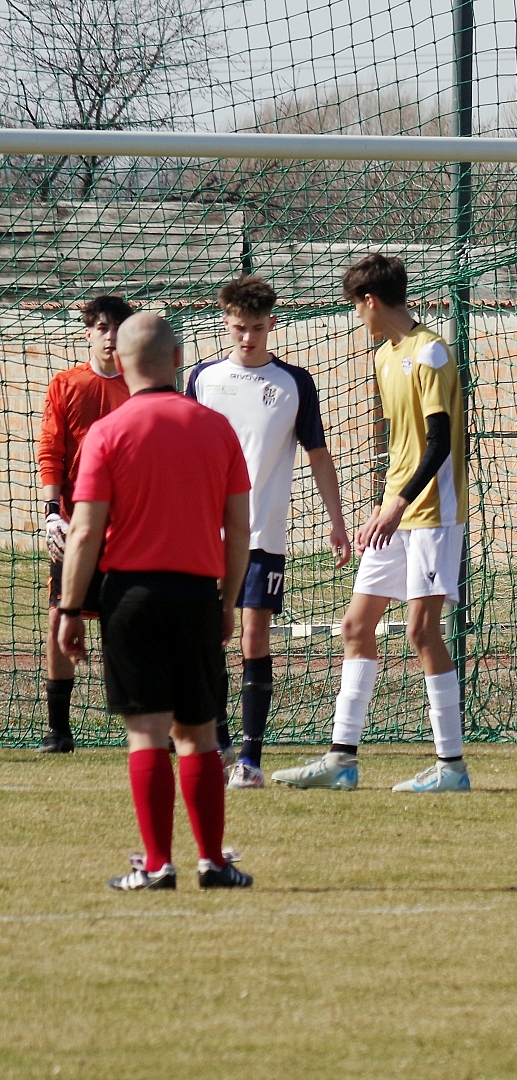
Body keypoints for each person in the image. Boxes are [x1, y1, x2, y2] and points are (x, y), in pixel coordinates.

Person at [57, 312, 253, 890]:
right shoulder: (217, 428)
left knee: (145, 731)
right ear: (177, 360)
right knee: (199, 733)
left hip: (131, 598)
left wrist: (71, 609)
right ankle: (212, 863)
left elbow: (85, 532)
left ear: (120, 362)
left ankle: (157, 864)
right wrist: (227, 600)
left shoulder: (107, 432)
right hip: (196, 595)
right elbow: (239, 530)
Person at [271, 254, 470, 793]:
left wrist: (398, 503)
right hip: (396, 512)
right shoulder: (385, 356)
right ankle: (342, 761)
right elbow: (403, 446)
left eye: (356, 308)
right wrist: (383, 507)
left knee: (422, 631)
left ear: (371, 301)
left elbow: (438, 443)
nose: (357, 317)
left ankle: (452, 768)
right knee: (356, 628)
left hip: (432, 514)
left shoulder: (430, 351)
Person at [187, 275, 351, 789]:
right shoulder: (202, 379)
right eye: (239, 327)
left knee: (253, 636)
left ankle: (250, 759)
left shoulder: (293, 383)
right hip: (205, 534)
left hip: (263, 536)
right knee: (208, 639)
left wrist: (337, 520)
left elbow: (318, 454)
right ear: (226, 323)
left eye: (257, 328)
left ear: (272, 324)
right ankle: (217, 743)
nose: (248, 337)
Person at [36, 294, 132, 753]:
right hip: (76, 524)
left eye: (117, 328)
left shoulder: (142, 387)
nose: (110, 336)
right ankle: (59, 730)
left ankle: (146, 724)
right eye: (102, 327)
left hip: (130, 526)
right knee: (61, 613)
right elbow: (51, 449)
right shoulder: (67, 384)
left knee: (129, 619)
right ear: (89, 333)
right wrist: (52, 511)